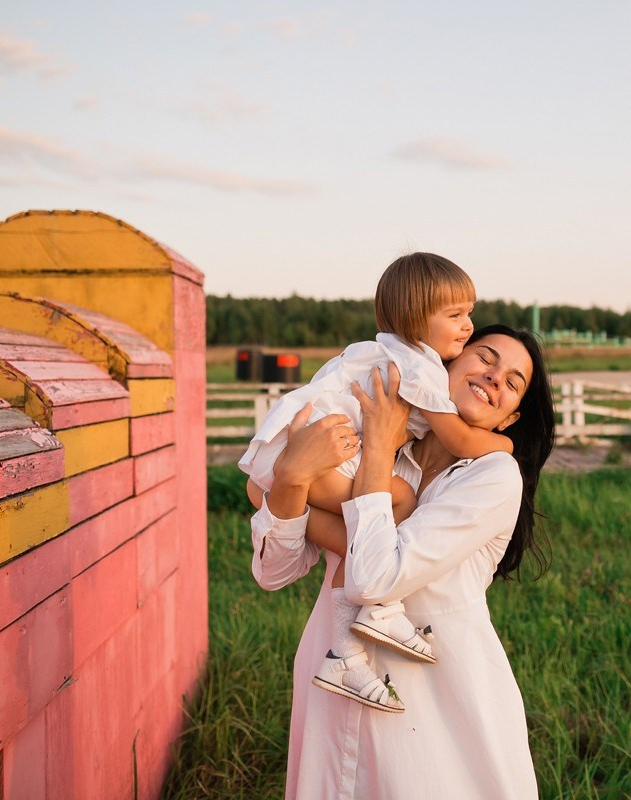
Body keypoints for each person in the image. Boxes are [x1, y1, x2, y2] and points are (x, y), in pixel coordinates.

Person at [250, 324, 556, 799]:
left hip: (435, 697)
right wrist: (289, 479)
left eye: (513, 383)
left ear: (508, 420)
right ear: (444, 367)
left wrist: (375, 444)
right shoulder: (382, 449)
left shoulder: (494, 477)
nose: (495, 378)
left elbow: (376, 578)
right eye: (486, 359)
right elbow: (274, 573)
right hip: (332, 675)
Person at [239, 253, 513, 712]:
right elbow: (462, 439)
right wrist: (501, 444)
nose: (468, 325)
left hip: (300, 448)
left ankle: (351, 644)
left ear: (515, 415)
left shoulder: (369, 352)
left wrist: (283, 483)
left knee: (355, 533)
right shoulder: (420, 369)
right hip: (326, 452)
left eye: (513, 381)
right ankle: (372, 618)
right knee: (398, 498)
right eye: (458, 319)